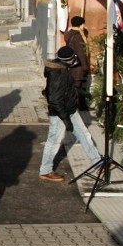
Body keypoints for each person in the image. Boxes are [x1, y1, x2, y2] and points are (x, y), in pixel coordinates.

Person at [39, 46, 104, 182]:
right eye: (73, 58)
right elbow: (55, 100)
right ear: (69, 59)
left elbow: (67, 89)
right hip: (60, 113)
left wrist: (81, 93)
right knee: (54, 140)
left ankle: (98, 163)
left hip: (70, 109)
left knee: (84, 135)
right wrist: (66, 120)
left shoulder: (62, 68)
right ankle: (45, 170)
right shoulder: (58, 73)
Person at [63, 16, 90, 110]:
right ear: (80, 24)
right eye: (83, 24)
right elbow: (81, 52)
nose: (84, 26)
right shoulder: (77, 36)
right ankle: (72, 105)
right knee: (77, 86)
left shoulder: (71, 33)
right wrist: (85, 67)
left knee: (80, 86)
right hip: (78, 66)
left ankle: (82, 106)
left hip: (73, 65)